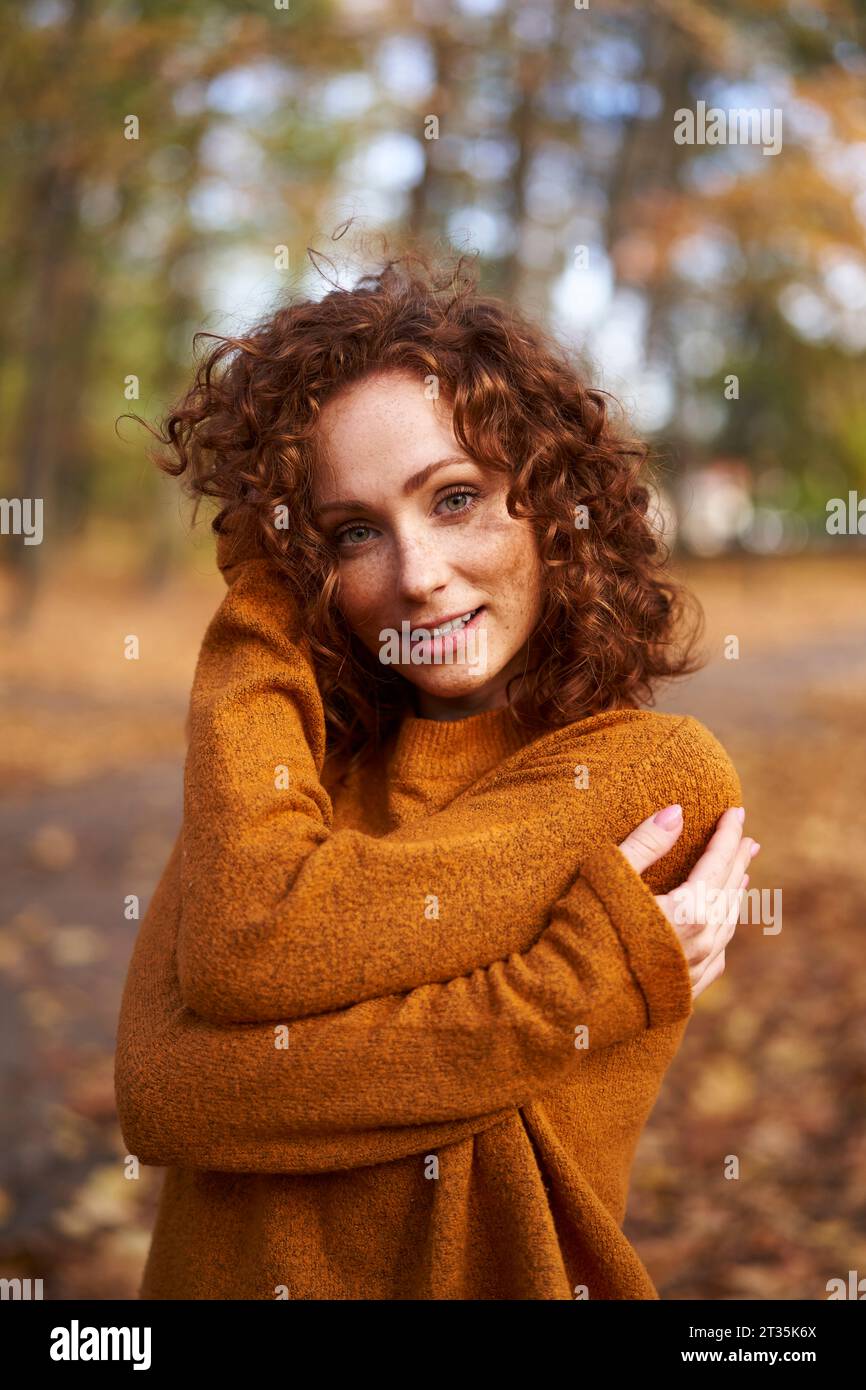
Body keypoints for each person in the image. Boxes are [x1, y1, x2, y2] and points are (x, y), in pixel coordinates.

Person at [115, 247, 758, 1300]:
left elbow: (249, 956)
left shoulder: (650, 778)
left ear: (550, 504)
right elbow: (164, 1091)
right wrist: (568, 985)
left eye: (453, 498)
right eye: (353, 531)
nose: (414, 575)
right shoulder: (285, 787)